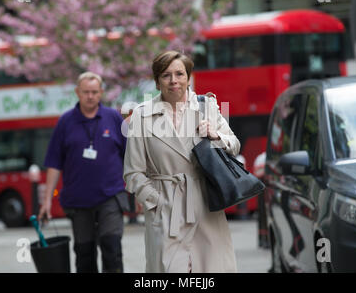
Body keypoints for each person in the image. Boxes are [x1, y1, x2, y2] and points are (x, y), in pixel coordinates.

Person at [123, 50, 240, 272]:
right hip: (166, 207)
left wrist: (216, 135)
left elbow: (234, 145)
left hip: (206, 204)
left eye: (180, 74)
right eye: (166, 75)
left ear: (188, 77)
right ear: (157, 81)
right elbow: (132, 173)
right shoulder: (141, 116)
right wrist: (156, 201)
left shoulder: (207, 107)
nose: (174, 81)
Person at [38, 71, 129, 273]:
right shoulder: (65, 122)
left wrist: (137, 189)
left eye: (95, 92)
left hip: (110, 196)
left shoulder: (113, 117)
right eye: (86, 92)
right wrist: (46, 201)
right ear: (77, 92)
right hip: (78, 201)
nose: (90, 96)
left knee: (112, 248)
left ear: (101, 93)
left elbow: (131, 156)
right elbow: (54, 163)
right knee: (84, 255)